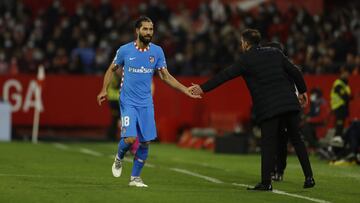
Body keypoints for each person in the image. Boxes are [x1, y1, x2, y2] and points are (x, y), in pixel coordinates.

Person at [190, 29, 315, 191]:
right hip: (289, 103)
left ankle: (266, 182)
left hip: (269, 107)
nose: (241, 45)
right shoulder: (275, 53)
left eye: (242, 42)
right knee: (297, 140)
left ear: (246, 43)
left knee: (268, 143)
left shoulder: (245, 60)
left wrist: (202, 88)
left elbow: (224, 76)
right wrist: (303, 91)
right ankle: (309, 177)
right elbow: (295, 71)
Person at [97, 16, 199, 187]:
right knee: (130, 139)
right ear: (137, 31)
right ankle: (119, 157)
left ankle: (135, 178)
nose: (148, 32)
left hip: (146, 103)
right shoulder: (125, 50)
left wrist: (184, 90)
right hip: (128, 101)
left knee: (145, 142)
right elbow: (111, 69)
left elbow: (165, 76)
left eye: (151, 29)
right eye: (145, 29)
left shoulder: (157, 52)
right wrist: (103, 89)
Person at [329, 67, 352, 148]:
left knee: (340, 127)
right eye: (345, 73)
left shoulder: (345, 84)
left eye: (347, 73)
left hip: (342, 107)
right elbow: (344, 96)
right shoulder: (338, 83)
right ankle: (334, 145)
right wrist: (347, 97)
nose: (346, 75)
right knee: (339, 126)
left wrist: (348, 97)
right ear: (342, 74)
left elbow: (348, 96)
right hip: (338, 106)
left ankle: (336, 145)